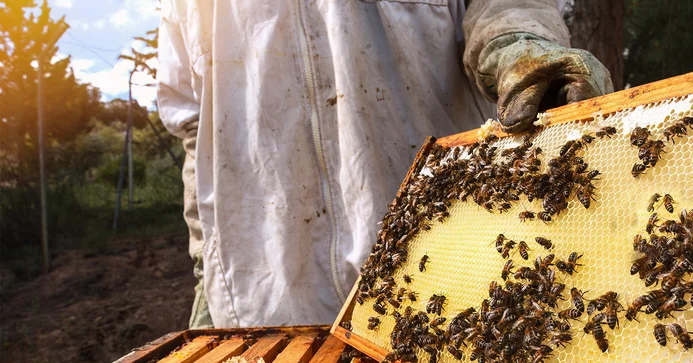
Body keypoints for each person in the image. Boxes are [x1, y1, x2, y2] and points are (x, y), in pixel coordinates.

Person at [157, 0, 613, 328]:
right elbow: (199, 136)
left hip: (451, 284)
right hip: (271, 302)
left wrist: (515, 42)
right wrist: (207, 273)